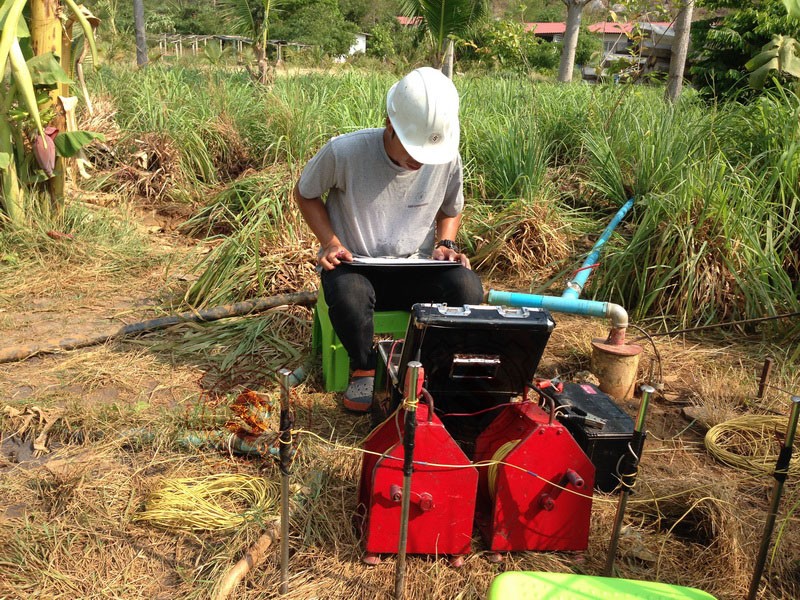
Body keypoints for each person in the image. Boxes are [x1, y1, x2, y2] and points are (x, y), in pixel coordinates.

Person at [293, 67, 484, 412]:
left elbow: (451, 208)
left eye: (426, 156)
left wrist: (446, 244)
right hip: (356, 266)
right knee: (349, 295)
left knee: (468, 288)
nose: (419, 162)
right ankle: (364, 367)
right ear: (389, 125)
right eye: (413, 151)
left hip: (416, 267)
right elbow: (305, 193)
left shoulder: (446, 158)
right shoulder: (345, 152)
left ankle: (431, 366)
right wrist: (331, 242)